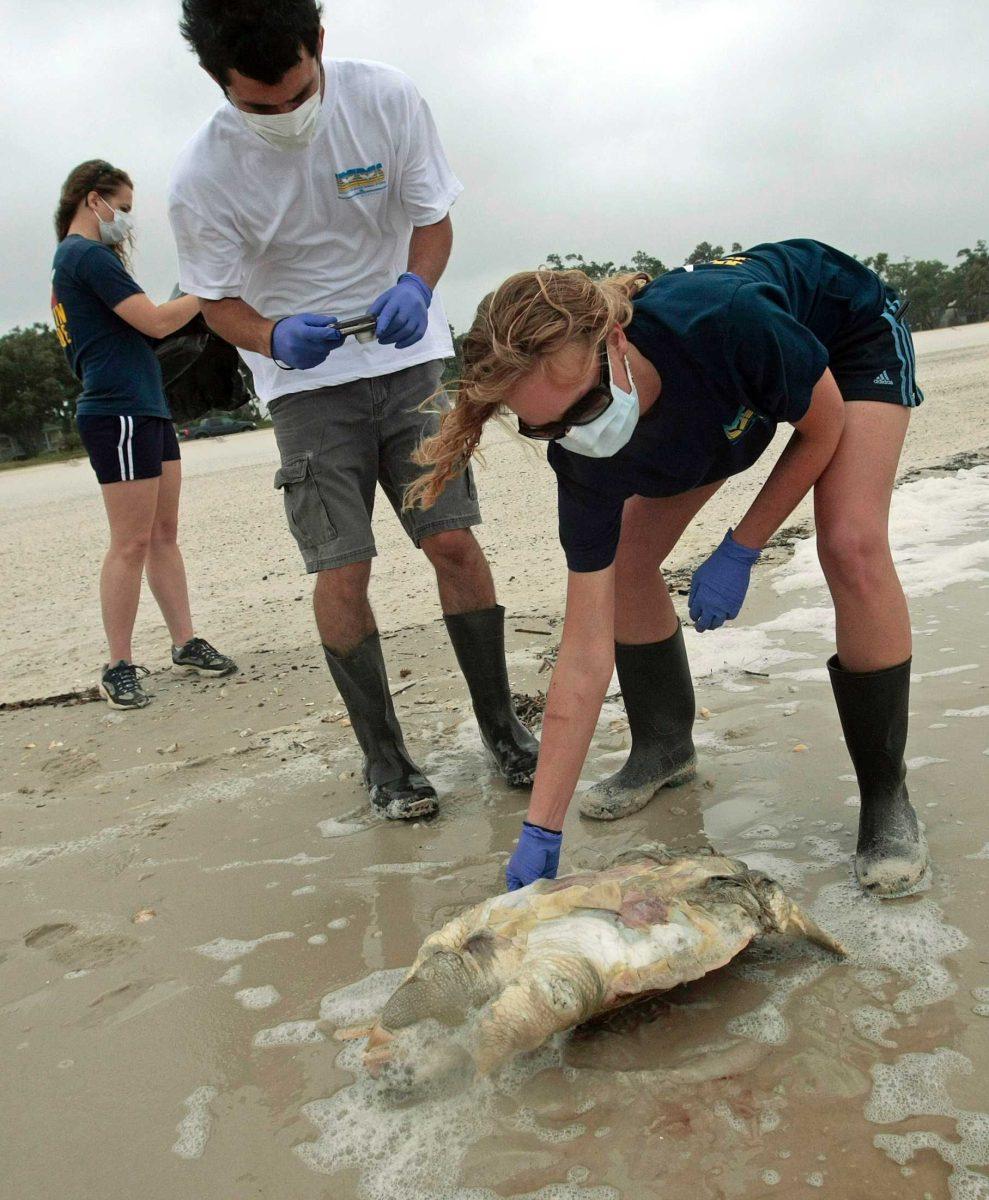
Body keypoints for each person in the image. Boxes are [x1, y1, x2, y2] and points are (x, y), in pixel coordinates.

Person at [408, 239, 928, 898]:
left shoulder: (724, 319)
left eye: (586, 407)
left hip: (838, 346)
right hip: (715, 409)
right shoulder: (580, 455)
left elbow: (820, 428)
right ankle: (664, 749)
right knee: (625, 566)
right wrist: (542, 828)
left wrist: (743, 545)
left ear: (614, 339)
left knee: (849, 543)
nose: (577, 432)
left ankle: (886, 797)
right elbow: (584, 648)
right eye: (548, 427)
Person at [168, 1, 537, 820]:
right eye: (258, 107)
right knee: (343, 566)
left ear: (319, 46)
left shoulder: (386, 98)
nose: (285, 117)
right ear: (218, 83)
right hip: (303, 387)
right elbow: (215, 301)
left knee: (452, 541)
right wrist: (269, 334)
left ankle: (503, 730)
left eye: (298, 94)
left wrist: (416, 284)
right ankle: (386, 762)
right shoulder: (201, 175)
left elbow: (431, 219)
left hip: (408, 362)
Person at [51, 159, 236, 709]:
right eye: (123, 209)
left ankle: (185, 642)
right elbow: (155, 322)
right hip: (118, 412)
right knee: (130, 541)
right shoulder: (84, 255)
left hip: (147, 408)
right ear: (93, 200)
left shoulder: (78, 261)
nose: (126, 221)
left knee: (163, 534)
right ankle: (119, 665)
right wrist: (208, 291)